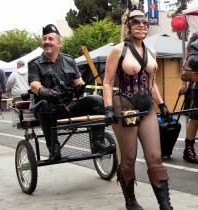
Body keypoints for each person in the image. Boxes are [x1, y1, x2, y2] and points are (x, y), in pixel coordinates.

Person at [103, 1, 173, 209]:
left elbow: (151, 83)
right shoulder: (118, 50)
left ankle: (165, 206)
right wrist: (108, 109)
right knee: (130, 158)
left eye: (144, 21)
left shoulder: (151, 52)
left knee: (155, 157)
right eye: (136, 21)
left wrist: (162, 105)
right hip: (125, 107)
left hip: (147, 107)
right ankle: (131, 202)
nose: (142, 25)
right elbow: (107, 82)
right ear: (127, 26)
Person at [28, 24, 115, 161]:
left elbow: (78, 81)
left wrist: (80, 87)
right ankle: (54, 148)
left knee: (97, 100)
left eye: (50, 39)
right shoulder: (35, 63)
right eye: (44, 39)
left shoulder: (69, 60)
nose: (46, 42)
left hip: (70, 105)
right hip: (51, 108)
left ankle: (97, 143)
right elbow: (34, 85)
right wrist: (46, 93)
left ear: (59, 43)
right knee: (44, 103)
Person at [179, 31, 198, 163]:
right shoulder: (196, 42)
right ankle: (189, 149)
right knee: (195, 118)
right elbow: (191, 60)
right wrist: (183, 83)